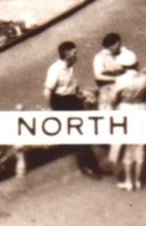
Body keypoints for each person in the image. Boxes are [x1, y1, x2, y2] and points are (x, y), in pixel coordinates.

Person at [44, 41, 103, 178]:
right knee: (77, 137)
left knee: (85, 134)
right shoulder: (55, 69)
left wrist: (82, 95)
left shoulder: (70, 67)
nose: (77, 55)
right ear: (66, 54)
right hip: (61, 103)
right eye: (74, 53)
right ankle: (86, 168)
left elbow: (73, 86)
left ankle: (94, 166)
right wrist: (51, 112)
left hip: (72, 101)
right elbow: (47, 92)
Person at [111, 51, 146, 191]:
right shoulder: (145, 78)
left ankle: (129, 181)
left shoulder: (120, 80)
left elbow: (113, 99)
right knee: (140, 148)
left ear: (123, 66)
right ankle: (138, 181)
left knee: (127, 150)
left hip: (126, 111)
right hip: (141, 110)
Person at [92, 32, 132, 111]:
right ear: (111, 45)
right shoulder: (99, 57)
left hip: (117, 91)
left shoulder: (114, 57)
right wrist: (118, 79)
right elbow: (98, 76)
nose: (119, 48)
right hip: (106, 91)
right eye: (118, 45)